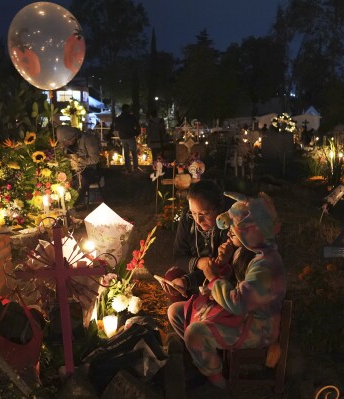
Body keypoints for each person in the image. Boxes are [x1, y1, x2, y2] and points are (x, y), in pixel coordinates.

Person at [165, 191, 285, 389]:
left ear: (250, 232)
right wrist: (222, 262)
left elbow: (238, 303)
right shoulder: (247, 252)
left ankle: (218, 383)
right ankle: (204, 360)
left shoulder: (266, 265)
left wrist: (213, 278)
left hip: (257, 327)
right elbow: (234, 281)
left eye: (233, 230)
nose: (228, 233)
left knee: (195, 333)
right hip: (240, 315)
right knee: (177, 312)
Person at [56, 124, 100, 207]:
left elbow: (95, 159)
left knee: (80, 180)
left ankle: (72, 204)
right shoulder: (70, 143)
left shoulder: (88, 139)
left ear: (72, 136)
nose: (67, 143)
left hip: (88, 169)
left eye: (67, 141)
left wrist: (80, 160)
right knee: (62, 177)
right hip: (73, 168)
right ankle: (61, 202)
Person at [113, 104, 140, 173]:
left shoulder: (119, 118)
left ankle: (128, 168)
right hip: (130, 136)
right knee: (134, 152)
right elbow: (137, 125)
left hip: (123, 137)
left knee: (126, 153)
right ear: (126, 109)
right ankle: (135, 167)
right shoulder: (131, 117)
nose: (130, 110)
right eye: (129, 109)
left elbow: (116, 127)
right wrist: (137, 133)